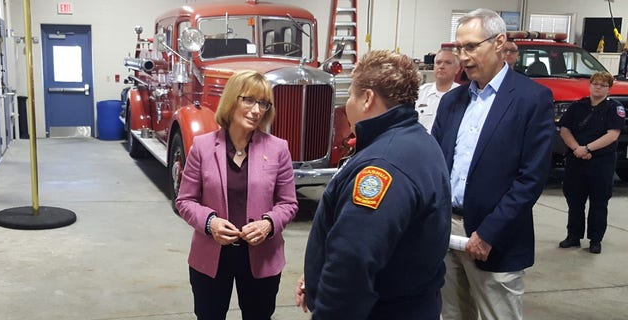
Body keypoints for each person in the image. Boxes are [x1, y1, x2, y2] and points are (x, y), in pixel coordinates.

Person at [296, 50, 451, 319]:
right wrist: (317, 272)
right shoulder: (418, 141)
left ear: (367, 98)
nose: (347, 106)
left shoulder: (382, 166)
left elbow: (353, 262)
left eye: (351, 96)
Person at [431, 8, 554, 320]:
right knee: (453, 314)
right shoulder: (453, 101)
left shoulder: (531, 99)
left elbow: (531, 178)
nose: (463, 56)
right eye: (459, 48)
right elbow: (435, 165)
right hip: (447, 232)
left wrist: (488, 233)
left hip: (496, 238)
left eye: (471, 46)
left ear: (500, 43)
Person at [176, 70, 298, 320]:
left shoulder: (278, 149)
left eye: (263, 103)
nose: (257, 110)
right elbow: (185, 200)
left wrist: (268, 223)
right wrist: (210, 223)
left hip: (261, 256)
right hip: (211, 256)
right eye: (249, 100)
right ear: (232, 100)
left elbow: (288, 203)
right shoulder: (203, 147)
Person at [557, 71, 626, 254]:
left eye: (603, 85)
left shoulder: (614, 108)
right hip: (576, 160)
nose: (598, 87)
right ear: (590, 85)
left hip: (601, 162)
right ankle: (573, 236)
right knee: (574, 200)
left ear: (609, 89)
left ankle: (595, 240)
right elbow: (564, 129)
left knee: (599, 202)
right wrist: (576, 149)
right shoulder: (578, 106)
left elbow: (612, 135)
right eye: (595, 83)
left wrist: (587, 149)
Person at [415, 48, 461, 132]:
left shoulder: (463, 95)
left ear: (457, 69)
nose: (441, 66)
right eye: (438, 63)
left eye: (447, 63)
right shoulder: (421, 93)